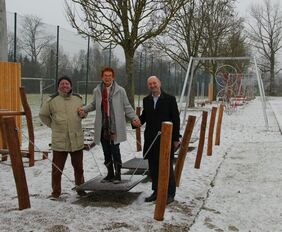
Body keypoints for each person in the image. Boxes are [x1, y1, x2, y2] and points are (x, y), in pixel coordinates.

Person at [78, 67, 141, 184]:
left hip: (115, 127)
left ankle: (117, 175)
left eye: (109, 76)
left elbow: (127, 106)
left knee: (115, 150)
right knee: (106, 151)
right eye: (105, 76)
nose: (107, 78)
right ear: (102, 77)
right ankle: (110, 174)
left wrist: (134, 118)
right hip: (102, 126)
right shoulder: (97, 90)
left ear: (113, 77)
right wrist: (84, 109)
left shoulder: (120, 90)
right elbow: (93, 104)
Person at [39, 76, 86, 199]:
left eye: (67, 84)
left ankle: (81, 189)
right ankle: (56, 192)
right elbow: (43, 115)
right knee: (57, 169)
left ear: (71, 86)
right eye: (62, 84)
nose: (65, 86)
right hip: (60, 140)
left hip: (76, 139)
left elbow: (83, 113)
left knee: (79, 168)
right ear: (58, 86)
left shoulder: (78, 99)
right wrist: (53, 125)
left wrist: (83, 115)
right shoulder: (52, 100)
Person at [139, 76, 180, 204]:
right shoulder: (147, 100)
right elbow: (144, 116)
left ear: (159, 83)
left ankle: (170, 193)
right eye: (150, 84)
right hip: (151, 138)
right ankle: (156, 191)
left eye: (154, 83)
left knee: (166, 167)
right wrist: (136, 122)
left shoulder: (170, 99)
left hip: (166, 138)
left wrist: (175, 138)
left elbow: (176, 119)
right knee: (153, 167)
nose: (152, 85)